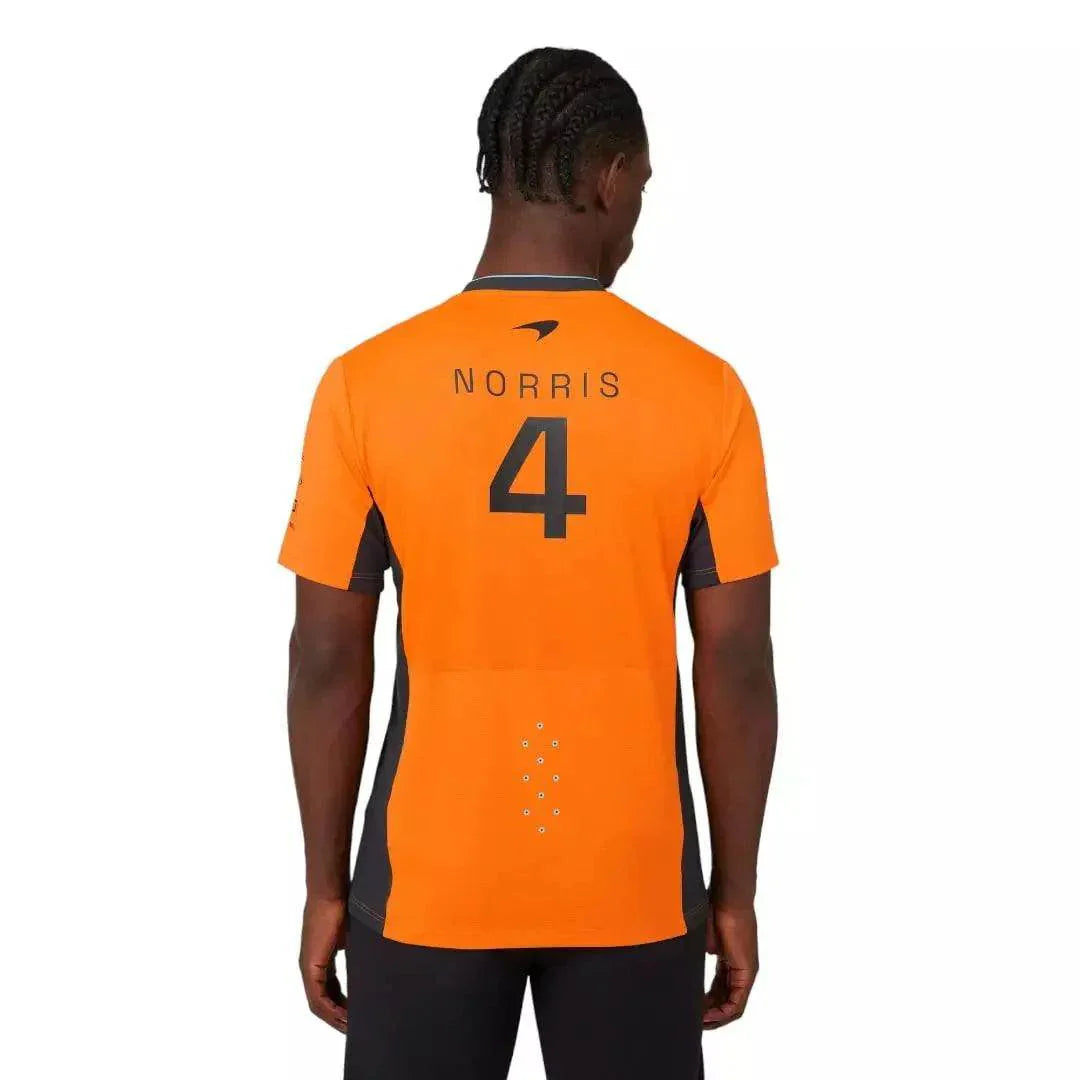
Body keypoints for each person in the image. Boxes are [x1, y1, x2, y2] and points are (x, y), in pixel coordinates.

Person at [281, 46, 778, 1080]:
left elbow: (327, 657)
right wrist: (732, 892)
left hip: (427, 885)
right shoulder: (706, 391)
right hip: (635, 887)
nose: (638, 216)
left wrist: (327, 886)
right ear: (611, 176)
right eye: (643, 186)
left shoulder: (364, 386)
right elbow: (734, 662)